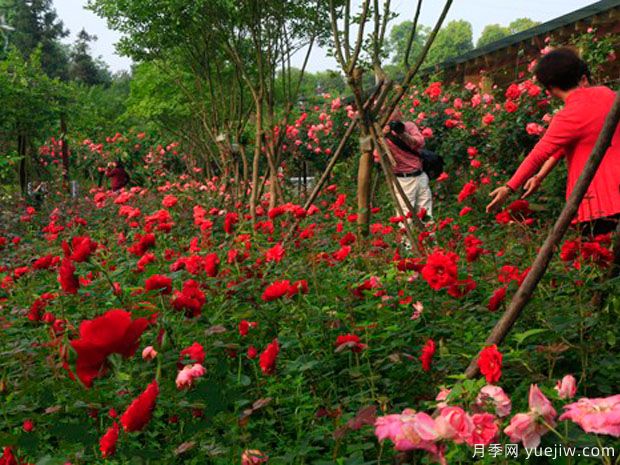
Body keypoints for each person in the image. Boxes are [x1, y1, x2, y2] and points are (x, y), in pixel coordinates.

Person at [487, 48, 620, 240]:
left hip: (597, 204)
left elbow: (537, 156)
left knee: (601, 264)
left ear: (549, 88)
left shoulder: (567, 117)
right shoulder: (607, 94)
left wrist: (509, 188)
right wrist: (540, 176)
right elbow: (565, 147)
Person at [383, 109, 433, 221]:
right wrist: (382, 137)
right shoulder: (382, 135)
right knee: (405, 217)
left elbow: (420, 142)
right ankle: (406, 238)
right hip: (402, 179)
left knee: (426, 213)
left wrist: (403, 134)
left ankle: (429, 237)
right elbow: (377, 157)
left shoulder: (409, 126)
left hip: (420, 175)